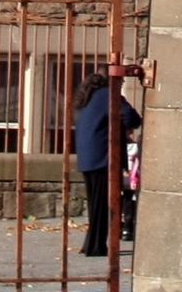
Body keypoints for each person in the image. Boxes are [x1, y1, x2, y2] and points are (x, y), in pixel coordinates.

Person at [73, 66, 141, 258]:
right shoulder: (109, 95)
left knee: (95, 203)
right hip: (103, 156)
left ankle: (91, 243)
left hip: (87, 156)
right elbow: (131, 117)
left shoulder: (87, 98)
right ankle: (96, 246)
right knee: (104, 203)